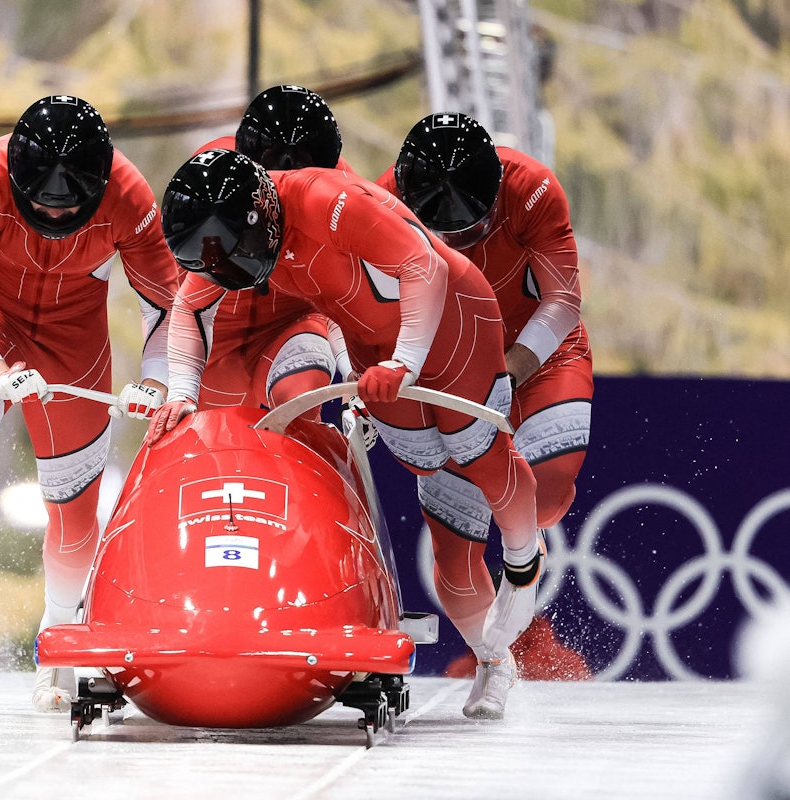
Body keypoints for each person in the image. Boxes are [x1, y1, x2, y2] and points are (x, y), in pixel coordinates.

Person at [148, 149, 544, 719]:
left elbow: (424, 266)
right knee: (431, 466)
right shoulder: (232, 233)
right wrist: (183, 392)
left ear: (260, 217)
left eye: (235, 261)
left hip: (453, 320)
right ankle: (494, 657)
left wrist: (405, 363)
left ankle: (524, 559)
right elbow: (186, 306)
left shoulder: (325, 200)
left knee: (475, 453)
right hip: (377, 350)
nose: (230, 278)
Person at [0, 95, 178, 712]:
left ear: (98, 189)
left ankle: (59, 641)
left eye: (69, 207)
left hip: (76, 341)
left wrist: (154, 379)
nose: (53, 211)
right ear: (15, 182)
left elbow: (166, 307)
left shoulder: (130, 196)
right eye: (40, 204)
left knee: (73, 509)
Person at [377, 113, 593, 688]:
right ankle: (495, 657)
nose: (460, 241)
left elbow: (564, 300)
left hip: (540, 351)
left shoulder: (535, 189)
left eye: (472, 229)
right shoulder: (378, 200)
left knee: (544, 495)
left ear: (496, 193)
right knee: (455, 551)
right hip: (454, 363)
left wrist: (511, 370)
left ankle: (525, 551)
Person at [179, 85, 343, 419]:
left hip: (291, 321)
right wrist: (178, 388)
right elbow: (187, 302)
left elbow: (348, 292)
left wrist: (355, 367)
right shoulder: (213, 179)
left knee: (301, 397)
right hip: (216, 335)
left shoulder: (344, 194)